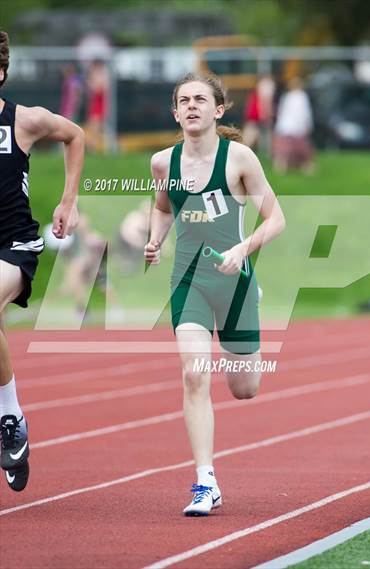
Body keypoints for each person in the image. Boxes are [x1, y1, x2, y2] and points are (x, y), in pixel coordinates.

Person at [144, 73, 285, 516]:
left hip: (235, 282)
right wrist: (155, 239)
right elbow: (162, 207)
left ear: (218, 110)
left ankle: (248, 305)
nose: (191, 106)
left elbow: (276, 218)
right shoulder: (162, 162)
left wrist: (243, 248)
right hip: (189, 283)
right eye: (183, 100)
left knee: (244, 388)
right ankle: (205, 482)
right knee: (193, 374)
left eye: (200, 100)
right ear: (175, 112)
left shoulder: (239, 158)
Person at [0, 31, 84, 492]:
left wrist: (68, 202)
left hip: (13, 245)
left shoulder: (25, 120)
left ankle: (10, 417)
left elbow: (76, 135)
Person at [273, 77, 315, 173]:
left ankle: (282, 167)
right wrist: (307, 125)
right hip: (296, 128)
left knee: (284, 150)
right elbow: (304, 113)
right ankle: (304, 168)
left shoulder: (288, 96)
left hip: (287, 127)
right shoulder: (301, 97)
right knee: (301, 151)